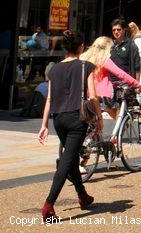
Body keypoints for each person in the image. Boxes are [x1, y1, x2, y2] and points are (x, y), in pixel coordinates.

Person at [38, 30, 98, 222]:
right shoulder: (86, 66)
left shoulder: (53, 69)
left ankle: (83, 195)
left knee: (71, 158)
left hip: (58, 119)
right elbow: (94, 96)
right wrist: (99, 117)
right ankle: (49, 205)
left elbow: (49, 99)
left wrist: (44, 125)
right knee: (66, 160)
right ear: (81, 47)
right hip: (76, 119)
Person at [80, 37, 141, 127]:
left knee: (93, 117)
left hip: (88, 92)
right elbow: (120, 74)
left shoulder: (83, 57)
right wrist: (136, 83)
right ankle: (118, 132)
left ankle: (96, 135)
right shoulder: (104, 59)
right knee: (116, 108)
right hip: (103, 93)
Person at [109, 19, 141, 110]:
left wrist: (137, 84)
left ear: (124, 30)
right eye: (114, 30)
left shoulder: (131, 45)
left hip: (126, 83)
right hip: (111, 82)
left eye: (118, 29)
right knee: (111, 109)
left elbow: (137, 66)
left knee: (123, 111)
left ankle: (126, 123)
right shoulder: (111, 45)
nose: (116, 32)